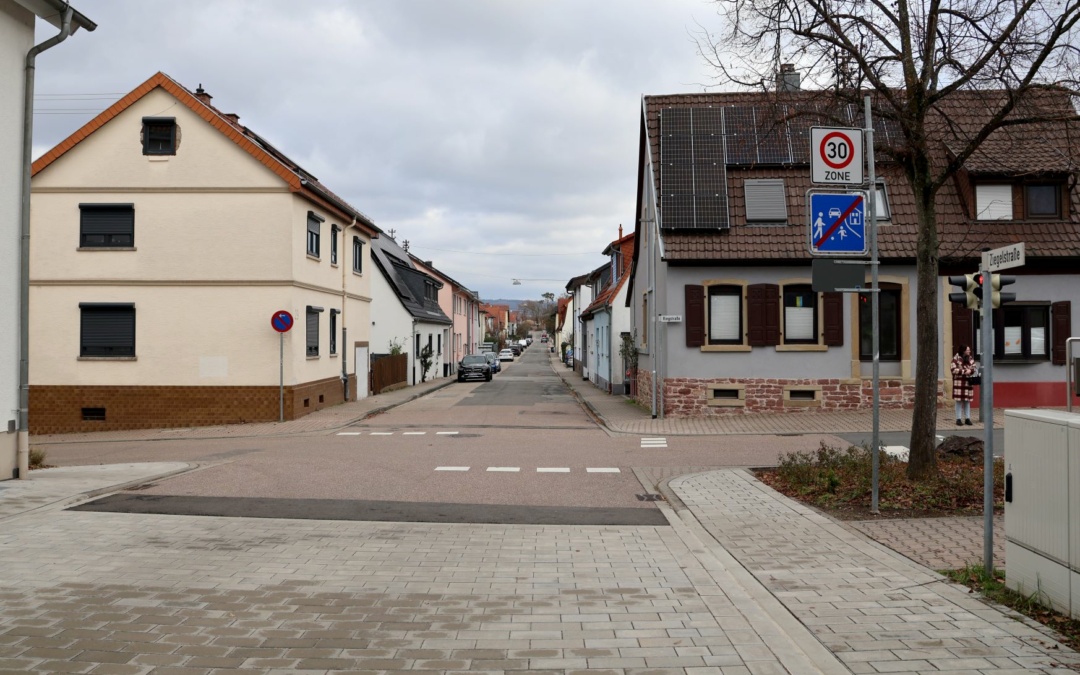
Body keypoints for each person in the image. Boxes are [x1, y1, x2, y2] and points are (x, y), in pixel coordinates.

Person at [951, 345, 977, 426]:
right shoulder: (956, 358)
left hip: (968, 383)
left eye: (969, 350)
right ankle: (958, 419)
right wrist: (965, 371)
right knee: (958, 401)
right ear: (963, 351)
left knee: (967, 401)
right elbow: (953, 369)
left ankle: (967, 418)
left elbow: (974, 367)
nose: (969, 351)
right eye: (968, 350)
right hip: (959, 383)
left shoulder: (970, 358)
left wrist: (971, 371)